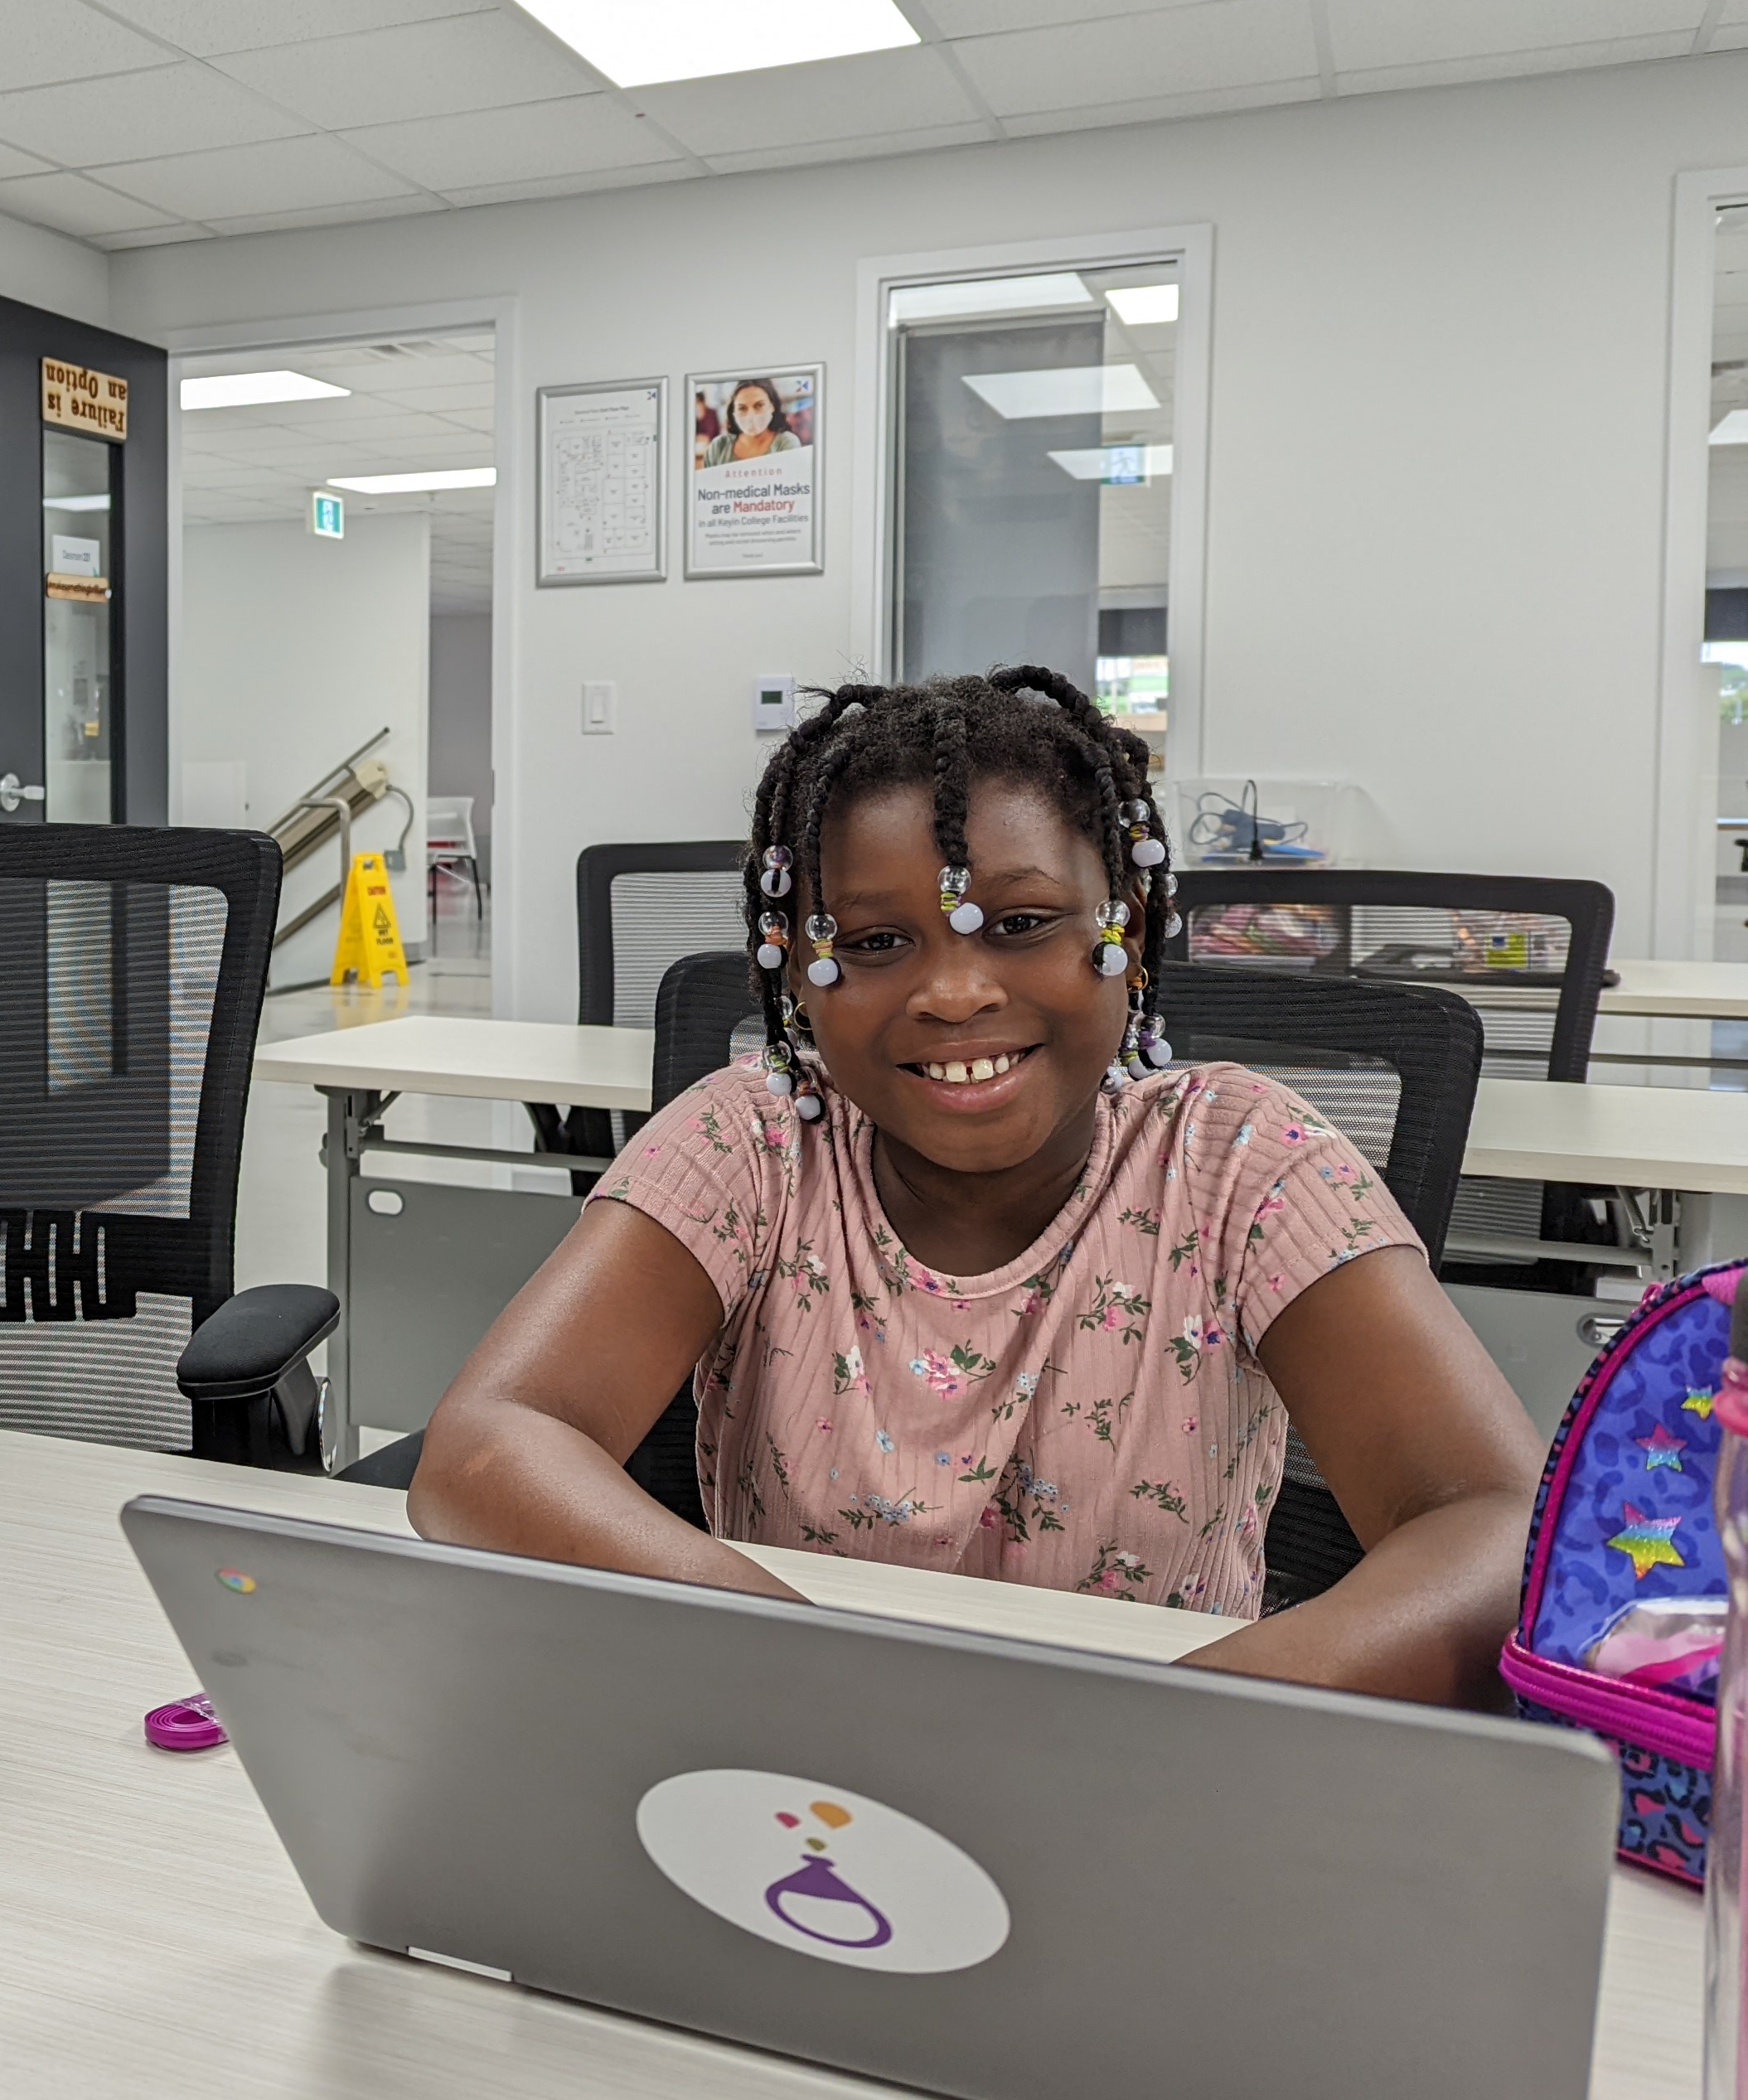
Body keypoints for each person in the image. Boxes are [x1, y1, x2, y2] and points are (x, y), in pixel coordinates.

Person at [410, 667, 1542, 1707]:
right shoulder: (751, 1143)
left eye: (1021, 924)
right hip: (804, 1749)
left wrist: (1185, 1729)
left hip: (1153, 1782)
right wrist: (798, 1662)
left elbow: (1496, 1523)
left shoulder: (1239, 1162)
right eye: (873, 941)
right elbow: (487, 1444)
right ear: (799, 973)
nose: (953, 992)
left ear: (1129, 931)